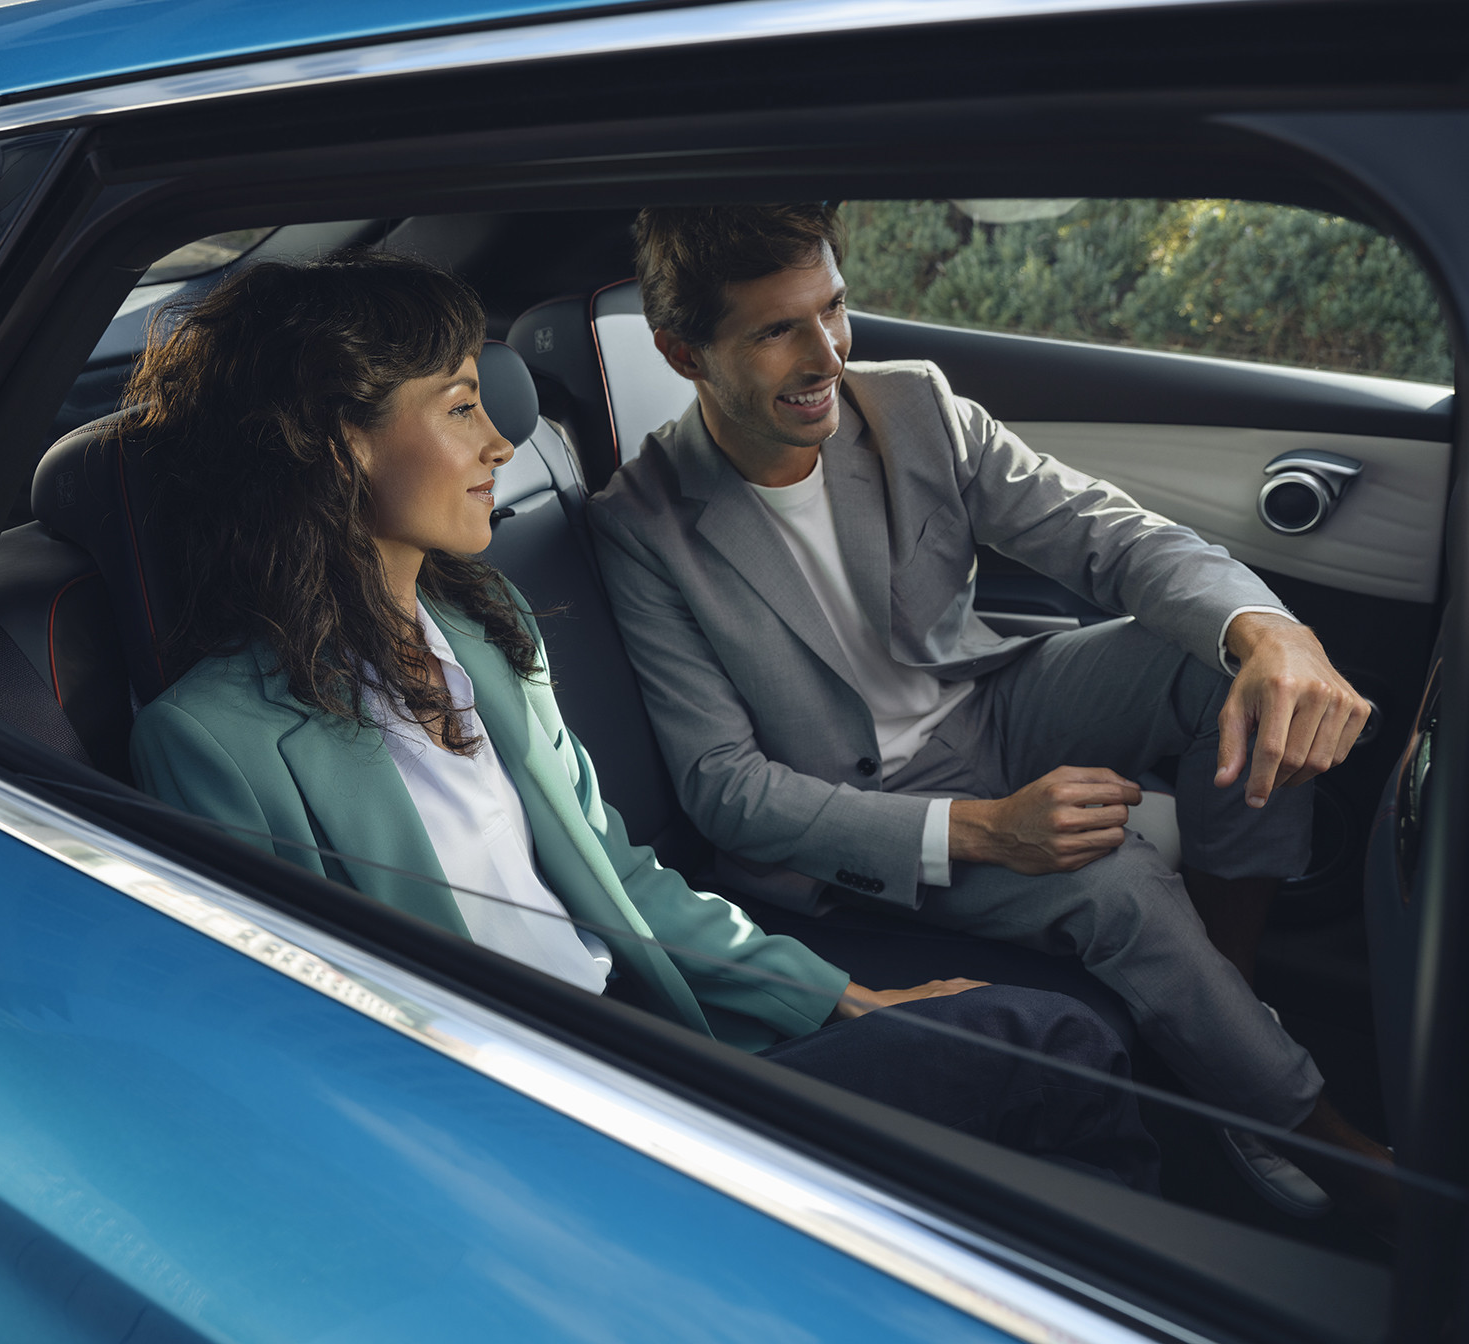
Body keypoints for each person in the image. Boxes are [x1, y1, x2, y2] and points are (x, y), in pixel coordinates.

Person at [123, 248, 1159, 1190]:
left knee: (1032, 1056)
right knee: (1052, 1044)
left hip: (643, 1030)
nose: (499, 442)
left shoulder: (480, 628)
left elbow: (614, 871)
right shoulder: (215, 741)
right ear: (338, 442)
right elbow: (311, 1047)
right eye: (458, 409)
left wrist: (835, 995)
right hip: (552, 1126)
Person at [586, 202, 1392, 1224]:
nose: (826, 352)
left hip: (989, 706)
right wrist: (987, 832)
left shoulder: (910, 406)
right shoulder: (642, 525)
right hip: (863, 816)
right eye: (776, 330)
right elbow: (726, 791)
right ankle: (1332, 1148)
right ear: (683, 351)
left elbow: (1107, 534)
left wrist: (1265, 630)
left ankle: (1221, 1023)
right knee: (1117, 880)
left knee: (1223, 665)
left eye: (833, 307)